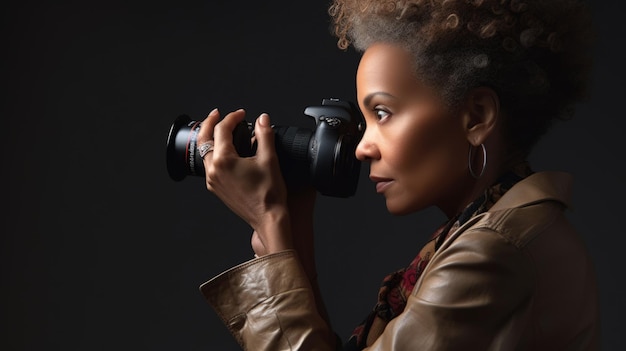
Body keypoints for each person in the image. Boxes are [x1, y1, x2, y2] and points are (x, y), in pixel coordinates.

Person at [193, 0, 600, 349]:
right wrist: (289, 234)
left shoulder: (492, 252)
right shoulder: (497, 226)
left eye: (382, 113)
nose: (362, 147)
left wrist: (267, 215)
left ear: (477, 115)